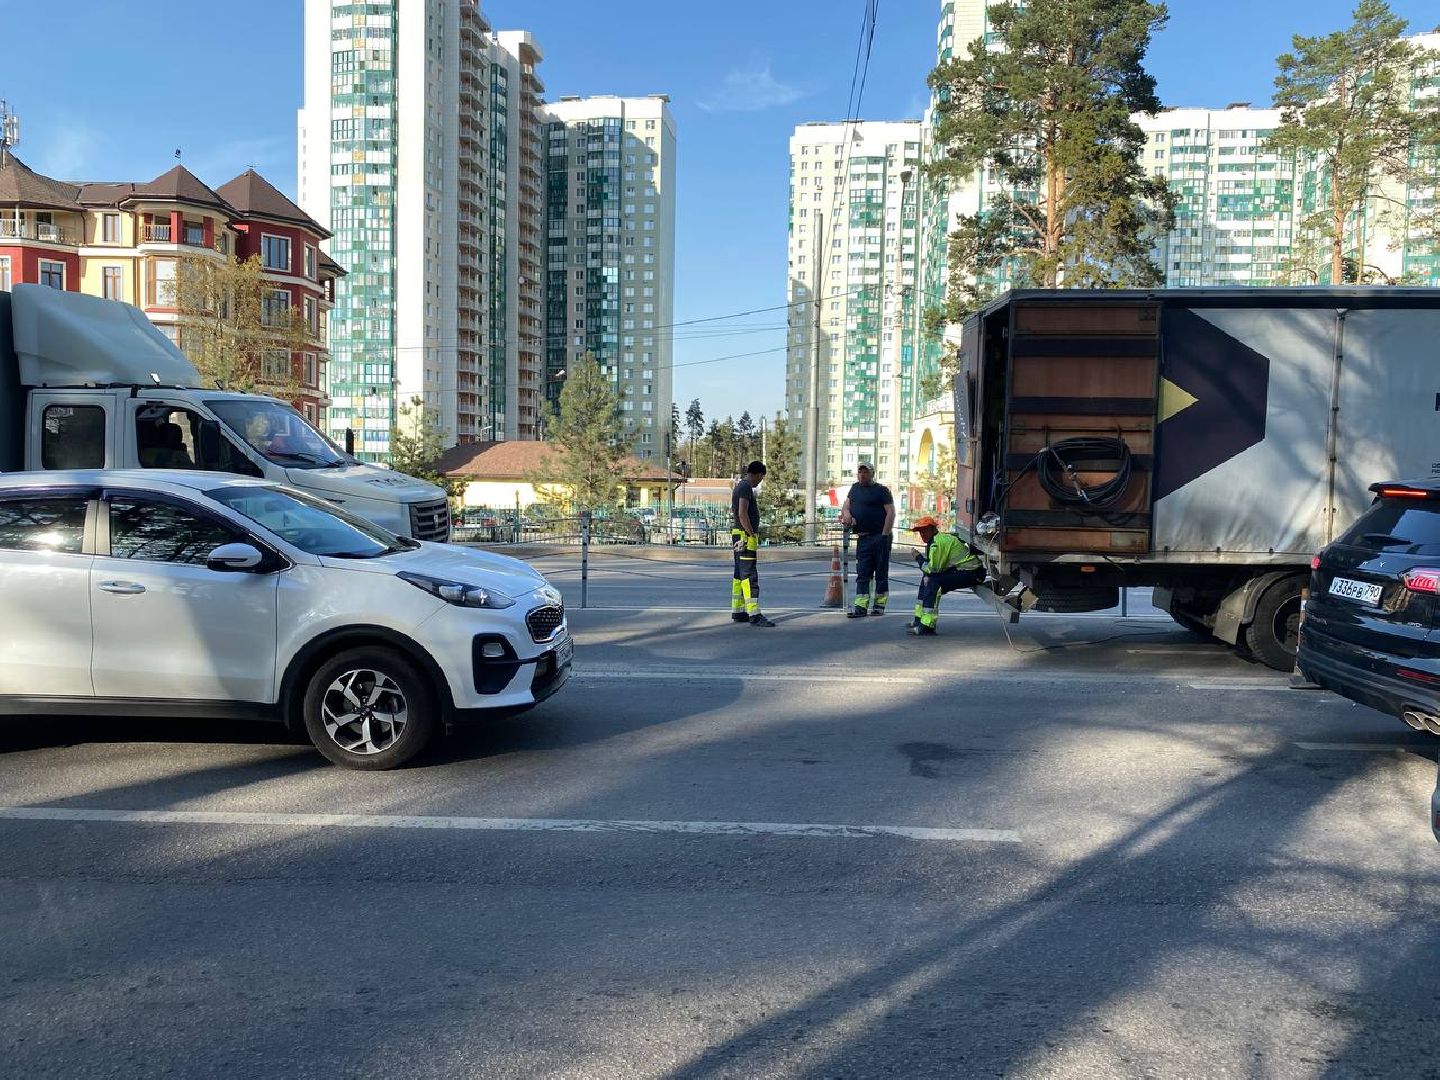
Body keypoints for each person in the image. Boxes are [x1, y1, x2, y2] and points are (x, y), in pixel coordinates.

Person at [907, 516, 985, 636]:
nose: (922, 534)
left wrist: (918, 558)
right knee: (926, 580)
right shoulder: (935, 540)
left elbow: (933, 570)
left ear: (933, 529)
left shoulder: (937, 544)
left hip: (972, 573)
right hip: (966, 570)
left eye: (925, 530)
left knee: (932, 582)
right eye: (920, 532)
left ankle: (927, 626)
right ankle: (919, 620)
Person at [839, 462, 895, 618]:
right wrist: (847, 513)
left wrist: (885, 534)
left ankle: (879, 606)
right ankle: (861, 607)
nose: (862, 475)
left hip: (880, 536)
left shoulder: (881, 491)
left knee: (881, 573)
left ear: (872, 474)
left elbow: (891, 512)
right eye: (860, 472)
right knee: (863, 572)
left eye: (866, 472)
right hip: (863, 538)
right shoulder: (854, 488)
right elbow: (846, 506)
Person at [730, 460, 776, 628]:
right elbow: (743, 514)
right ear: (757, 474)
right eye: (761, 478)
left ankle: (738, 610)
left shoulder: (741, 485)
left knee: (739, 575)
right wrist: (750, 534)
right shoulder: (745, 487)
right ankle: (754, 614)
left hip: (738, 535)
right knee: (749, 575)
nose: (760, 482)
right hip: (744, 536)